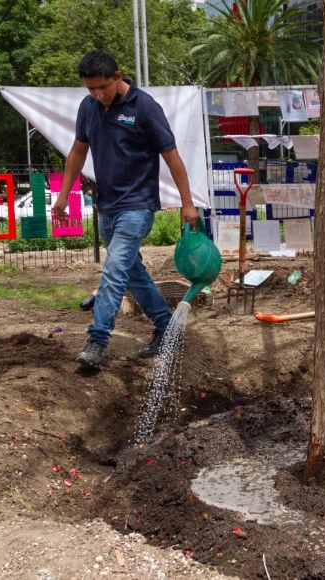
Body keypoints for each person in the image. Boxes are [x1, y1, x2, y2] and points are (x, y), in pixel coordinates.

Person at [54, 50, 200, 369]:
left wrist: (187, 203)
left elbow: (172, 157)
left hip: (138, 205)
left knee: (114, 269)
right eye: (91, 89)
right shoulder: (88, 107)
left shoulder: (144, 107)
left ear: (117, 77)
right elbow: (78, 151)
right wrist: (63, 195)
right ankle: (166, 326)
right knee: (132, 273)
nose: (98, 94)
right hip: (106, 206)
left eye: (103, 87)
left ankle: (97, 340)